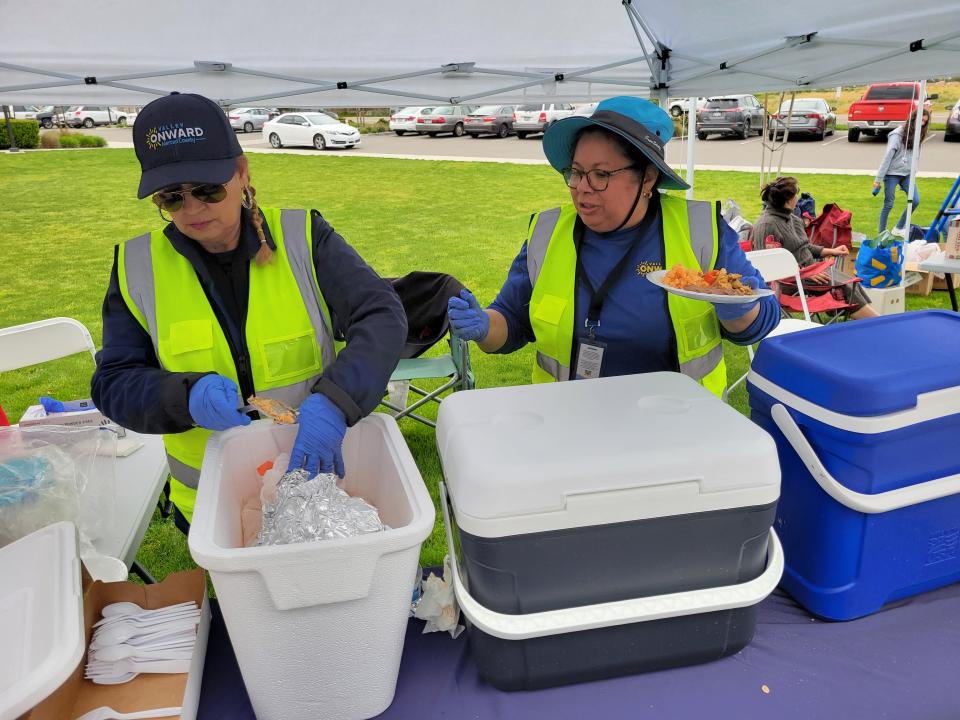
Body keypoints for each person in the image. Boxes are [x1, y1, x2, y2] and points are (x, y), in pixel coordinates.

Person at [91, 92, 406, 532]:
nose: (193, 208)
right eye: (172, 198)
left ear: (242, 173)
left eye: (207, 189)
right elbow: (114, 382)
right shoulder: (136, 266)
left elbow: (381, 314)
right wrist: (185, 396)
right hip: (214, 507)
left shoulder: (302, 236)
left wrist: (337, 402)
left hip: (318, 480)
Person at [447, 96, 780, 396]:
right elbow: (512, 322)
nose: (581, 188)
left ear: (647, 178)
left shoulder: (701, 230)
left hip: (677, 422)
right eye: (575, 172)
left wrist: (739, 308)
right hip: (571, 418)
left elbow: (761, 322)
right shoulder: (547, 232)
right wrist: (484, 326)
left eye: (600, 175)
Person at [752, 176, 878, 320]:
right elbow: (767, 267)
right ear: (788, 200)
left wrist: (831, 251)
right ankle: (878, 324)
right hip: (790, 282)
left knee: (850, 282)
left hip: (812, 273)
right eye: (797, 193)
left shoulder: (793, 219)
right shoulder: (767, 225)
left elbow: (804, 247)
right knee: (843, 288)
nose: (798, 197)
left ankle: (874, 323)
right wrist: (802, 273)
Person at [873, 109, 931, 235]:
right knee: (889, 204)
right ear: (914, 118)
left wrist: (913, 172)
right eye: (920, 120)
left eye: (925, 122)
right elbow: (887, 156)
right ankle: (881, 233)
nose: (922, 123)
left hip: (907, 174)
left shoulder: (917, 134)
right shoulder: (897, 134)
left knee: (915, 200)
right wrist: (878, 180)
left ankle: (898, 228)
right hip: (891, 174)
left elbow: (915, 156)